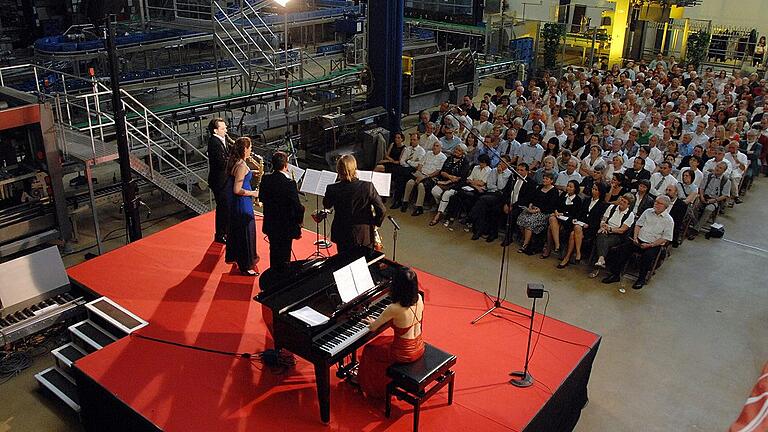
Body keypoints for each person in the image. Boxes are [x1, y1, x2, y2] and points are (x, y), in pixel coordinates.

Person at [358, 267, 425, 400]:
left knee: (369, 349)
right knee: (382, 342)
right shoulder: (419, 298)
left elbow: (373, 327)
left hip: (403, 353)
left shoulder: (394, 308)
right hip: (419, 346)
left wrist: (372, 320)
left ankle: (373, 388)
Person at [602, 195, 674, 289]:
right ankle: (615, 274)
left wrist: (650, 245)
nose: (655, 204)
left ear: (665, 206)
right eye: (656, 201)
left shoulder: (669, 220)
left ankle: (641, 279)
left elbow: (666, 238)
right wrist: (635, 237)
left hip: (653, 245)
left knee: (648, 257)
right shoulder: (648, 212)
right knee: (623, 249)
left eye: (659, 203)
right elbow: (638, 225)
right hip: (639, 239)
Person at [323, 155, 387, 253]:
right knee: (363, 262)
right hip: (363, 233)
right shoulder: (367, 186)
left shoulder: (332, 188)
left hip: (342, 232)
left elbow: (326, 204)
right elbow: (382, 210)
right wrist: (374, 223)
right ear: (355, 169)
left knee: (343, 262)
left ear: (338, 170)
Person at [259, 151, 304, 273]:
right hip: (285, 226)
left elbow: (262, 198)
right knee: (284, 253)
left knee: (273, 250)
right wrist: (299, 222)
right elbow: (297, 206)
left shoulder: (266, 179)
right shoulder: (290, 184)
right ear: (286, 166)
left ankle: (273, 275)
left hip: (271, 224)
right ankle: (283, 278)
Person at [225, 137, 260, 276]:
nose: (251, 149)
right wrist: (253, 192)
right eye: (250, 147)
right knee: (246, 233)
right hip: (242, 203)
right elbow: (237, 189)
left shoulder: (237, 163)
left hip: (238, 203)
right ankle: (246, 265)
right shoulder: (240, 166)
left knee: (239, 232)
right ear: (244, 149)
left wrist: (252, 173)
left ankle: (238, 258)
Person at [558, 183, 609, 268]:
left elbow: (598, 220)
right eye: (593, 188)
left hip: (591, 228)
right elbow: (581, 213)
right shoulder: (587, 200)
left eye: (596, 189)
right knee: (575, 229)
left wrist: (587, 224)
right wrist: (578, 220)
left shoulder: (603, 205)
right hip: (581, 224)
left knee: (573, 233)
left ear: (600, 192)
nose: (593, 191)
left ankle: (569, 256)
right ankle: (576, 254)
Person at [516, 172, 559, 254]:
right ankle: (526, 238)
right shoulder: (540, 187)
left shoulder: (554, 191)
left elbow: (551, 206)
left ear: (551, 181)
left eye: (546, 179)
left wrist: (538, 210)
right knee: (521, 218)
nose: (544, 180)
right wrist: (530, 205)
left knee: (529, 222)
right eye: (544, 178)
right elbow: (533, 198)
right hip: (533, 208)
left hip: (543, 212)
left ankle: (525, 245)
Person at [543, 180, 582, 258]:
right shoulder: (563, 195)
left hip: (568, 220)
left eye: (571, 187)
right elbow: (556, 205)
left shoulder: (578, 200)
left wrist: (563, 213)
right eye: (568, 186)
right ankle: (557, 244)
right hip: (559, 218)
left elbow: (575, 214)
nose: (568, 188)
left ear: (575, 189)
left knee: (551, 227)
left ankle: (551, 248)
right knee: (552, 219)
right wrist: (556, 211)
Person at [207, 118, 231, 243]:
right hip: (219, 182)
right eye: (223, 128)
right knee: (222, 207)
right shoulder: (214, 143)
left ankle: (225, 231)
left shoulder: (223, 139)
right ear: (215, 131)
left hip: (224, 180)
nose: (226, 130)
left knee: (226, 207)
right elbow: (221, 163)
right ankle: (220, 234)